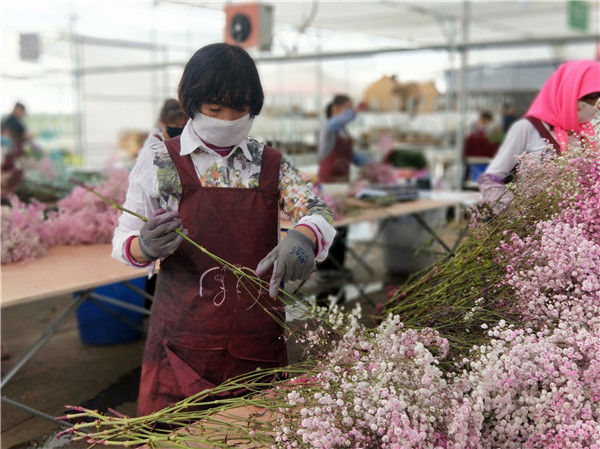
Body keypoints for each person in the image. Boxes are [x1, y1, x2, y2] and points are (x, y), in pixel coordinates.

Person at [112, 43, 336, 416]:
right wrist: (144, 246)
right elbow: (124, 237)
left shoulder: (268, 163)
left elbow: (317, 211)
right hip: (182, 343)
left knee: (255, 430)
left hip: (256, 339)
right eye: (216, 109)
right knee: (178, 434)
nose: (228, 119)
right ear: (191, 102)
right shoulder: (161, 161)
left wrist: (304, 237)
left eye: (241, 109)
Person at [478, 60, 600, 211]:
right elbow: (490, 180)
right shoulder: (527, 128)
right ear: (569, 92)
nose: (594, 107)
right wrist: (514, 212)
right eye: (590, 99)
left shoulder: (587, 134)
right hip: (530, 222)